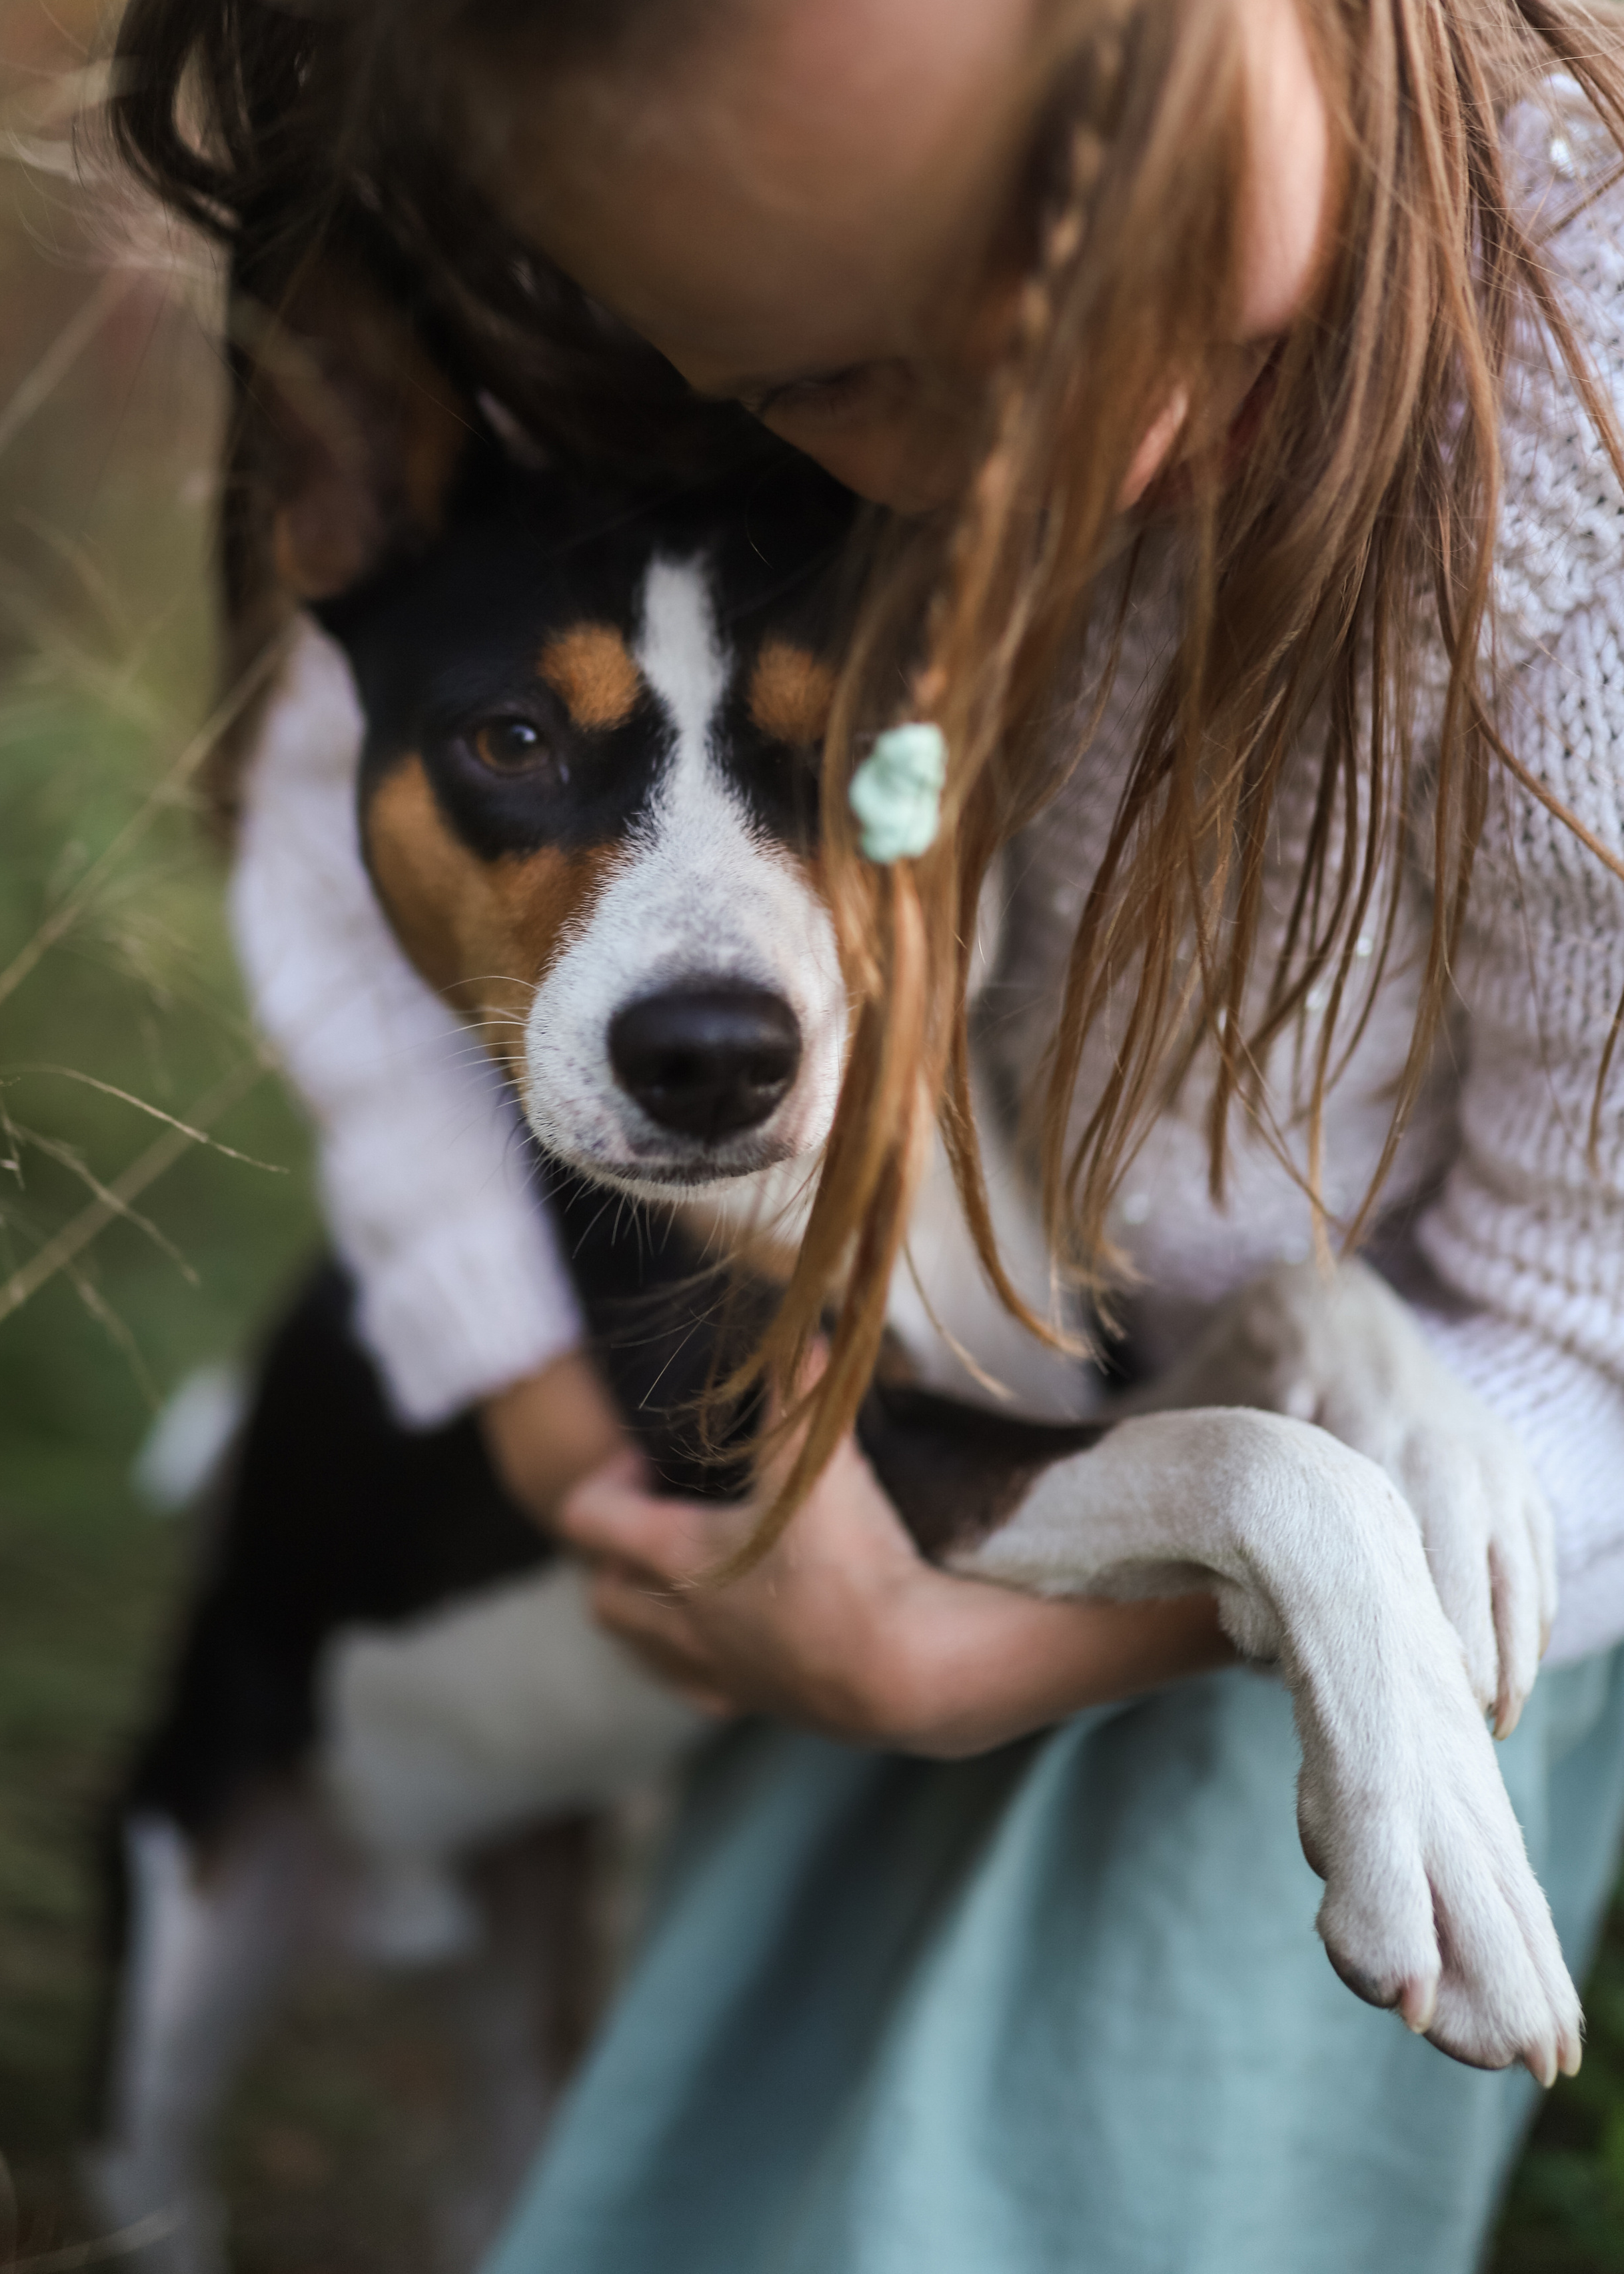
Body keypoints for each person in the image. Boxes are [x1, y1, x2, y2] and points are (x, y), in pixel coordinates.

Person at [109, 1, 1624, 2265]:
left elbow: (1590, 1315)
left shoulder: (1572, 497)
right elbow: (341, 864)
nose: (1048, 420)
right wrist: (522, 1395)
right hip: (876, 1492)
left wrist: (981, 1655)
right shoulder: (673, 321)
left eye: (1097, 252)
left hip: (1465, 1475)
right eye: (832, 385)